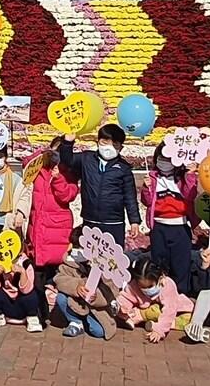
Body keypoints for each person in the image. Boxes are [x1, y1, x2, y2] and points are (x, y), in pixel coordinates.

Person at [21, 138, 79, 319]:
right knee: (37, 269)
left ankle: (62, 311)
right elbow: (25, 165)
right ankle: (39, 311)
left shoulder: (68, 171)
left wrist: (58, 178)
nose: (56, 157)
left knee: (58, 270)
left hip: (57, 228)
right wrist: (41, 154)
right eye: (54, 152)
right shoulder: (38, 169)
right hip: (38, 225)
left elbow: (68, 195)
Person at [58, 125, 141, 247]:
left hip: (113, 222)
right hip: (90, 219)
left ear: (121, 147)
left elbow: (130, 197)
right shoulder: (86, 159)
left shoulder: (123, 168)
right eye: (105, 142)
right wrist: (67, 143)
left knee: (113, 260)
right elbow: (67, 160)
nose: (109, 147)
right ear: (98, 142)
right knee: (91, 257)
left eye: (114, 144)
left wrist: (134, 221)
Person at [141, 142, 198, 295]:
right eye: (161, 158)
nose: (164, 162)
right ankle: (161, 295)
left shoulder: (181, 177)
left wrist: (190, 175)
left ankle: (181, 296)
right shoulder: (153, 177)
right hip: (159, 226)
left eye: (168, 158)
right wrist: (146, 188)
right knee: (159, 263)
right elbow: (146, 201)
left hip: (180, 226)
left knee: (181, 264)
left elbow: (190, 195)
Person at [52, 238, 121, 340]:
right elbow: (59, 279)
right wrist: (76, 287)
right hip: (75, 302)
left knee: (98, 332)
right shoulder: (69, 262)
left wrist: (96, 296)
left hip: (96, 308)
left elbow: (112, 289)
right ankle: (75, 321)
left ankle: (86, 321)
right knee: (61, 297)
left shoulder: (104, 264)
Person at [116, 257, 193, 344]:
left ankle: (146, 320)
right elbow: (126, 296)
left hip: (175, 311)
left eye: (149, 286)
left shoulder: (168, 285)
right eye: (142, 286)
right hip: (148, 311)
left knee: (186, 319)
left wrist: (159, 330)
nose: (145, 289)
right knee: (123, 310)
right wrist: (120, 305)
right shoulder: (134, 285)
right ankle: (144, 319)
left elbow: (169, 310)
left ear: (160, 278)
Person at [0, 254, 40, 332]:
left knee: (31, 296)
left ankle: (32, 317)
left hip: (22, 303)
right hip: (4, 303)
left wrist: (22, 272)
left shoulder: (26, 264)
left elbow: (27, 290)